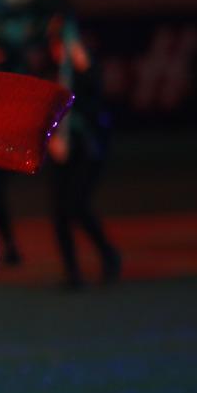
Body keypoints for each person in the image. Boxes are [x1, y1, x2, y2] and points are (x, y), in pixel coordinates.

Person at [44, 17, 120, 288]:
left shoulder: (83, 68)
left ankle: (108, 254)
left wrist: (80, 63)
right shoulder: (50, 70)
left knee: (76, 204)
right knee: (59, 211)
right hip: (59, 148)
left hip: (85, 146)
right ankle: (72, 271)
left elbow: (93, 96)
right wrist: (51, 138)